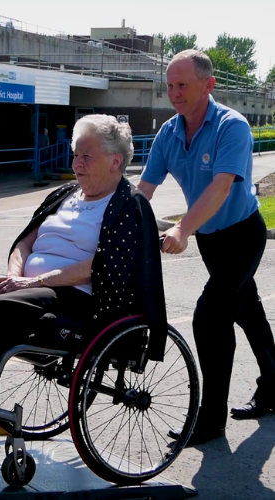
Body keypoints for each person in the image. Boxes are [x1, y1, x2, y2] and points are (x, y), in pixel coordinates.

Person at [0, 114, 168, 461]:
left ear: (115, 161)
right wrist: (14, 277)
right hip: (33, 290)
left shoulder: (130, 204)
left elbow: (102, 267)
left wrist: (30, 282)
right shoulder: (66, 193)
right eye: (75, 155)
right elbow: (26, 241)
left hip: (79, 303)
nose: (76, 164)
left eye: (86, 157)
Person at [138, 49, 275, 446]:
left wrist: (181, 229)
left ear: (208, 85)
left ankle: (211, 418)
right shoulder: (169, 132)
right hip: (212, 241)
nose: (174, 93)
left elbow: (219, 187)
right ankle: (274, 383)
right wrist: (119, 224)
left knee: (210, 318)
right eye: (169, 86)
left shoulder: (231, 127)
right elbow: (145, 189)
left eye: (183, 85)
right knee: (247, 312)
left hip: (242, 235)